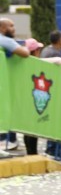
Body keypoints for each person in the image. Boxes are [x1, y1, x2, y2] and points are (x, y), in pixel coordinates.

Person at [0, 18, 32, 153]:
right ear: (2, 28)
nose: (14, 29)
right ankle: (7, 140)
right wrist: (25, 48)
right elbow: (25, 53)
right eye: (11, 26)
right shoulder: (5, 40)